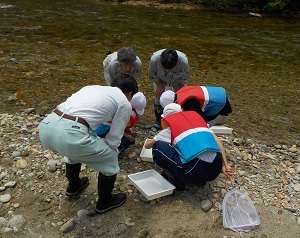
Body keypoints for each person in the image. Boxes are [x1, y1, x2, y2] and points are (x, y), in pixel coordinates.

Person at [37, 74, 138, 214]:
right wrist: (109, 148)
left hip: (47, 127)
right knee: (110, 158)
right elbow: (114, 137)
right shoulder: (124, 102)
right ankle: (105, 201)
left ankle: (74, 186)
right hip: (71, 133)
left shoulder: (91, 88)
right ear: (130, 93)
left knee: (73, 148)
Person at [145, 103, 232, 190]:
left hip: (195, 173)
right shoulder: (199, 122)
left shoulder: (170, 129)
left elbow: (147, 146)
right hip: (216, 168)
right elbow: (217, 141)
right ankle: (201, 181)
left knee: (157, 146)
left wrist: (158, 138)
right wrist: (225, 165)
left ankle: (175, 179)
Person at [148, 48, 190, 129]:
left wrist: (180, 94)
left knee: (180, 98)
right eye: (165, 68)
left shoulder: (183, 62)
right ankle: (159, 120)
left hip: (177, 80)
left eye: (170, 69)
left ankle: (177, 119)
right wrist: (159, 86)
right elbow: (152, 75)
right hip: (160, 79)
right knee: (158, 97)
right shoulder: (154, 60)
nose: (167, 70)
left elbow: (183, 80)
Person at [160, 86, 232, 127]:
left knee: (203, 125)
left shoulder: (189, 104)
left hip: (222, 105)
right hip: (218, 94)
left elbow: (200, 121)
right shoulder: (180, 92)